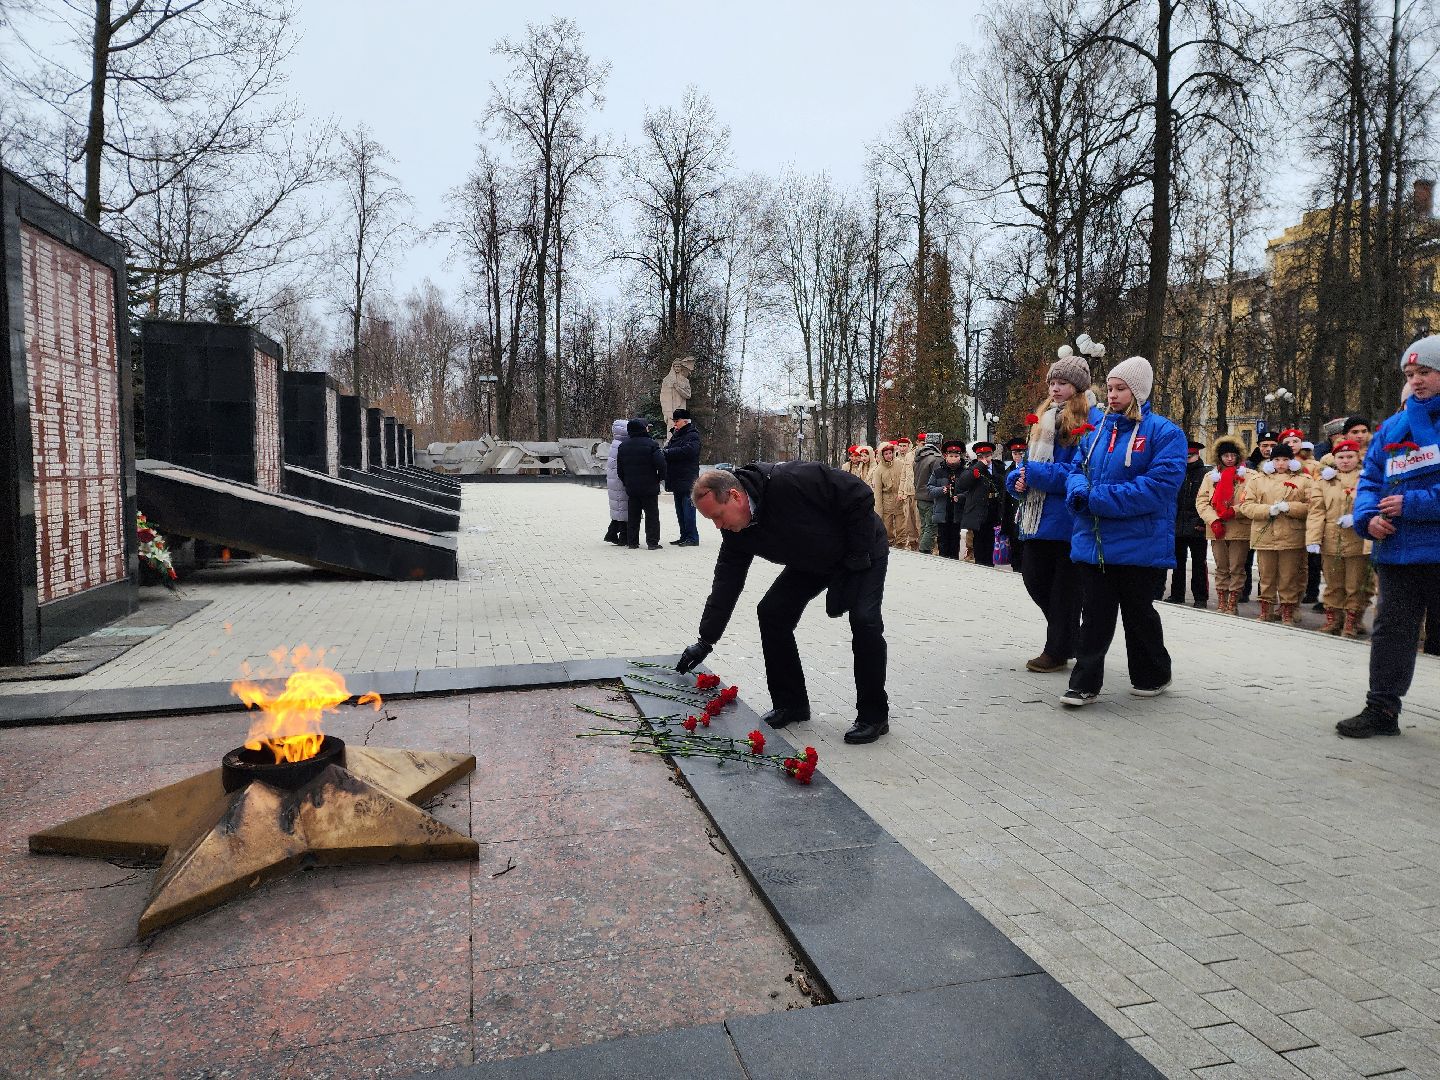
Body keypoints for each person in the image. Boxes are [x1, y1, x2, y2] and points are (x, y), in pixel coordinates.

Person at [676, 464, 891, 745]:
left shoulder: (789, 481)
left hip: (861, 549)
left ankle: (874, 715)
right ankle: (791, 704)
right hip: (811, 560)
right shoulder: (736, 532)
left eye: (717, 516)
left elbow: (859, 493)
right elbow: (726, 583)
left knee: (865, 620)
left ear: (735, 497)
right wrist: (706, 640)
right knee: (772, 612)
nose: (718, 526)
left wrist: (857, 553)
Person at [1061, 356, 1185, 707]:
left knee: (1138, 613)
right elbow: (1075, 468)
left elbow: (1159, 487)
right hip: (1095, 542)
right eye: (1110, 388)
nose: (1112, 395)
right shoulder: (1097, 431)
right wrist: (1077, 491)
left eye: (1120, 389)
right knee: (1096, 614)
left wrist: (1097, 498)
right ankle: (1084, 683)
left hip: (1140, 544)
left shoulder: (1165, 433)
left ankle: (1153, 673)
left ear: (1139, 391)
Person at [1337, 338, 1440, 738]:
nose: (1416, 381)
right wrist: (1366, 517)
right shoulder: (1392, 427)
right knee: (1392, 634)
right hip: (1398, 552)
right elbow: (1370, 480)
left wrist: (1413, 504)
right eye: (1410, 375)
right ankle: (1381, 709)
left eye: (1425, 373)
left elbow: (1406, 496)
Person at [1008, 350, 1094, 672]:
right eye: (1052, 383)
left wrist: (1032, 474)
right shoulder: (1044, 417)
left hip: (1068, 519)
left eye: (1062, 383)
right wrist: (1015, 479)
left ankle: (1057, 648)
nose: (1055, 389)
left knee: (1063, 589)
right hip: (1038, 515)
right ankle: (1069, 634)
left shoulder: (1087, 421)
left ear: (1078, 387)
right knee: (1033, 577)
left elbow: (1078, 469)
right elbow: (1027, 465)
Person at [1238, 441, 1313, 625]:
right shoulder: (1258, 480)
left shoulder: (1303, 480)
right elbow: (1246, 506)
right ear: (1271, 461)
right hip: (1265, 536)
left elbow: (1312, 507)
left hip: (1291, 536)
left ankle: (1287, 610)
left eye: (1285, 459)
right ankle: (1266, 610)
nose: (1281, 464)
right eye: (1277, 459)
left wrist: (1291, 507)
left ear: (1292, 461)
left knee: (1289, 576)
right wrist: (1266, 510)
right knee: (1267, 576)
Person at [1307, 438, 1372, 637]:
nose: (1345, 461)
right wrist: (1313, 539)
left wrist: (1357, 518)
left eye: (1350, 456)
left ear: (1357, 457)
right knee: (1333, 583)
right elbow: (1317, 511)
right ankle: (1333, 619)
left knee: (1355, 584)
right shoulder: (1325, 482)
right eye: (1341, 457)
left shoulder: (1366, 478)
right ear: (1334, 458)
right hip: (1331, 539)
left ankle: (1352, 622)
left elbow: (1372, 504)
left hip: (1357, 540)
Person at [1195, 435, 1252, 615]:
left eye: (1232, 455)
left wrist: (1235, 510)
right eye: (1225, 455)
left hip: (1238, 527)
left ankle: (1232, 602)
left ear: (1238, 456)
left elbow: (1252, 500)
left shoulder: (1250, 476)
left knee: (1236, 567)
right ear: (1219, 457)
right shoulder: (1210, 477)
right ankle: (1222, 600)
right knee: (1221, 567)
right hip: (1217, 528)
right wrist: (1214, 520)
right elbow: (1202, 502)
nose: (1229, 458)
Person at [1165, 438, 1210, 607]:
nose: (1187, 459)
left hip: (1197, 525)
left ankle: (1200, 597)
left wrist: (1202, 521)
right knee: (1177, 563)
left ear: (1197, 455)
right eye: (1184, 456)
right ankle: (1177, 594)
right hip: (1177, 524)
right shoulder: (1177, 472)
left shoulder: (1205, 474)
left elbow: (1207, 500)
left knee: (1199, 563)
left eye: (1190, 456)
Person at [616, 418, 666, 550]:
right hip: (650, 486)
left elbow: (619, 470)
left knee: (633, 515)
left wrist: (626, 482)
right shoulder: (652, 444)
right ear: (643, 429)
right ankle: (652, 542)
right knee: (652, 515)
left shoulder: (623, 446)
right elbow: (661, 464)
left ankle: (632, 542)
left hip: (632, 488)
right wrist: (659, 479)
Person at [956, 441, 1003, 566]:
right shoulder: (973, 468)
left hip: (994, 508)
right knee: (979, 543)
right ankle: (980, 565)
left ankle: (989, 565)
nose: (985, 459)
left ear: (992, 455)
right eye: (981, 457)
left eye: (987, 456)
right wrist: (979, 466)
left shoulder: (999, 467)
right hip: (979, 510)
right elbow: (962, 484)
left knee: (991, 541)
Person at [663, 408, 702, 547]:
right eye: (674, 421)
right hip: (676, 477)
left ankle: (692, 537)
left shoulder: (692, 435)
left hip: (688, 478)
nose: (675, 424)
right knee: (680, 510)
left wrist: (667, 453)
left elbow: (690, 451)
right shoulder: (676, 435)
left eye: (677, 421)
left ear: (685, 421)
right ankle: (684, 535)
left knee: (688, 509)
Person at [927, 440, 969, 559]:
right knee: (943, 541)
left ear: (960, 457)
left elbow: (970, 492)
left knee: (955, 541)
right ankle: (943, 564)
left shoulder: (965, 472)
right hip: (942, 512)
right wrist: (941, 490)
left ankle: (954, 563)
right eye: (951, 456)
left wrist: (960, 497)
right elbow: (929, 489)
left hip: (957, 513)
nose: (953, 459)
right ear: (946, 456)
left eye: (956, 456)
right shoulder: (938, 472)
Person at [869, 442, 907, 546]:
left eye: (890, 453)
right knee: (887, 528)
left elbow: (905, 479)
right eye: (886, 454)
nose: (889, 456)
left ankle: (901, 545)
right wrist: (879, 510)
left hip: (899, 500)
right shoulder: (878, 470)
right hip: (887, 502)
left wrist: (903, 493)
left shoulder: (900, 464)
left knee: (901, 527)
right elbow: (877, 492)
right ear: (882, 455)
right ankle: (889, 545)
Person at [1001, 436, 1028, 571]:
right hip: (1013, 515)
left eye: (1021, 453)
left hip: (1026, 513)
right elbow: (1005, 497)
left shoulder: (1029, 468)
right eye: (1015, 453)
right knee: (1015, 545)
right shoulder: (1008, 471)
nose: (1018, 456)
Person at [912, 435, 942, 555]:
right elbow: (939, 479)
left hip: (920, 496)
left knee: (924, 526)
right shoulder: (936, 459)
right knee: (931, 527)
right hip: (930, 498)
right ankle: (924, 551)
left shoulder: (918, 458)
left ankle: (923, 549)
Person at [603, 418, 630, 545]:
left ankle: (612, 534)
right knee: (623, 510)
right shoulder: (622, 445)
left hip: (615, 482)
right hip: (620, 483)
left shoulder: (616, 443)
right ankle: (621, 536)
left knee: (619, 510)